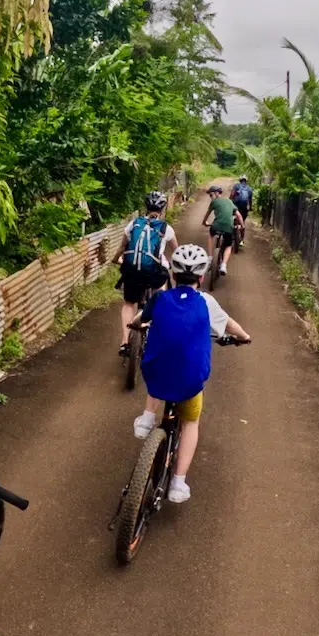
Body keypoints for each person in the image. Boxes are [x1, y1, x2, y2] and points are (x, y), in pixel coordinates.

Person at [130, 244, 251, 503]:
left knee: (158, 368)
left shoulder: (160, 298)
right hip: (190, 379)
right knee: (190, 421)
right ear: (202, 277)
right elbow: (229, 325)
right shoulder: (207, 302)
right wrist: (243, 337)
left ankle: (147, 419)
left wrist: (136, 324)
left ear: (172, 274)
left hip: (156, 374)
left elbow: (141, 318)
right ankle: (177, 483)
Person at [115, 191, 177, 356]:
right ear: (163, 209)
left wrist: (116, 259)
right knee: (161, 292)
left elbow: (122, 247)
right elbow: (176, 252)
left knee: (129, 303)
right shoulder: (166, 228)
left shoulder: (134, 223)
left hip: (131, 269)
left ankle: (124, 342)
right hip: (153, 272)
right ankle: (156, 328)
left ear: (145, 207)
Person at [202, 185, 243, 275]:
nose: (210, 197)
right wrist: (242, 226)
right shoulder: (229, 202)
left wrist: (204, 222)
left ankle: (210, 258)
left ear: (216, 193)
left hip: (216, 226)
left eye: (211, 195)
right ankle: (224, 265)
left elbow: (207, 214)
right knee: (228, 245)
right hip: (229, 227)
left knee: (211, 235)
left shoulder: (214, 202)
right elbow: (239, 215)